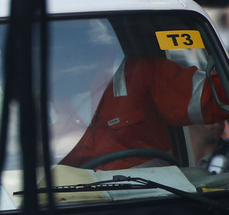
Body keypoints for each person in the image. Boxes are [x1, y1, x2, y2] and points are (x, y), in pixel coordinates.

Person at [59, 55, 229, 170]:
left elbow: (210, 97)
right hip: (74, 211)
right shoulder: (37, 100)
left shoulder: (141, 73)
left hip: (153, 205)